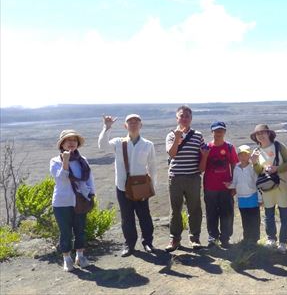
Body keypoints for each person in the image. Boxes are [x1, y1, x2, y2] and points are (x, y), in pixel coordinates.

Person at [98, 114, 157, 256]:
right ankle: (129, 244)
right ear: (125, 126)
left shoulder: (148, 144)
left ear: (141, 125)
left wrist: (152, 187)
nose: (133, 123)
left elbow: (153, 166)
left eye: (136, 121)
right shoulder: (118, 142)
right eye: (130, 122)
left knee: (145, 216)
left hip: (142, 187)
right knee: (127, 217)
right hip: (123, 187)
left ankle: (148, 242)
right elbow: (102, 146)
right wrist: (107, 127)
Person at [50, 130, 95, 271]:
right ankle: (67, 259)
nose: (71, 143)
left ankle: (80, 256)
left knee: (80, 230)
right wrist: (65, 161)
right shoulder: (55, 161)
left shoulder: (83, 160)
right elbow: (62, 179)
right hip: (62, 202)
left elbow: (89, 179)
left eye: (74, 140)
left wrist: (91, 195)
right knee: (65, 232)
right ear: (62, 144)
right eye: (68, 140)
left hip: (80, 200)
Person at [165, 105, 207, 252]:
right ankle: (174, 238)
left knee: (194, 208)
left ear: (191, 118)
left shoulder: (198, 135)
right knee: (175, 209)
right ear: (177, 118)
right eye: (181, 116)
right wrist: (177, 138)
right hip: (175, 177)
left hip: (193, 177)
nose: (184, 118)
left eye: (187, 116)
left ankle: (195, 238)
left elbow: (203, 155)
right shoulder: (171, 135)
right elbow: (172, 154)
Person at [250, 124, 287, 253]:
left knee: (284, 214)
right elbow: (258, 171)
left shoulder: (278, 146)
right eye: (258, 134)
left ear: (269, 133)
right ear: (255, 137)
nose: (261, 135)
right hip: (267, 188)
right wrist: (255, 162)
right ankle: (271, 239)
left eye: (263, 132)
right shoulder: (256, 151)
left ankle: (283, 242)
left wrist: (277, 169)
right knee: (269, 214)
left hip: (282, 186)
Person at [199, 121, 238, 248]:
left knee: (227, 213)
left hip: (226, 187)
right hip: (210, 187)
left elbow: (234, 165)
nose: (218, 133)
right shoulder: (206, 148)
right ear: (212, 132)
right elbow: (201, 169)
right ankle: (212, 238)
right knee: (211, 213)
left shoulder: (229, 148)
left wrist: (234, 184)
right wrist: (205, 156)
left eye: (221, 130)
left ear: (225, 132)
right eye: (216, 130)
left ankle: (225, 238)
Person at [226, 145, 261, 246]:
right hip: (241, 199)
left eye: (245, 154)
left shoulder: (253, 167)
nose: (243, 157)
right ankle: (247, 238)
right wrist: (229, 186)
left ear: (249, 155)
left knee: (254, 219)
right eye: (241, 154)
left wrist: (259, 198)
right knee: (245, 219)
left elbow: (257, 183)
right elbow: (235, 182)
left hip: (252, 197)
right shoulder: (236, 168)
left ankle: (255, 239)